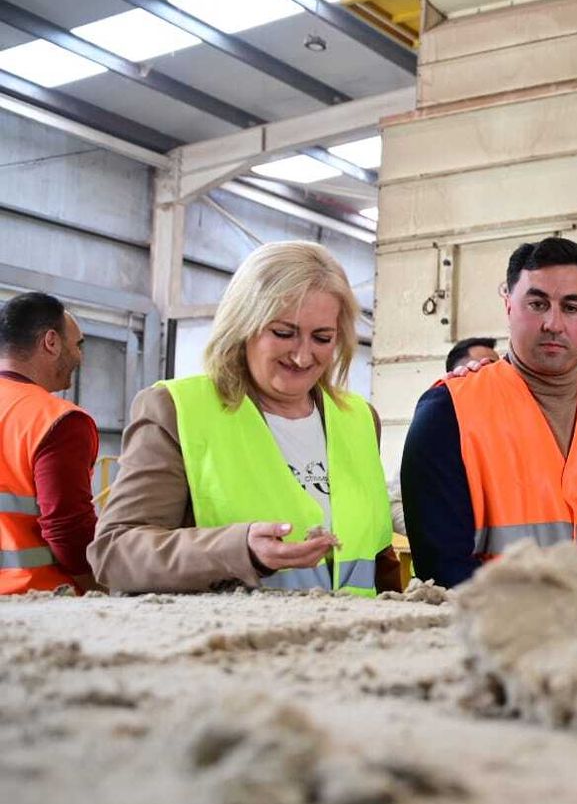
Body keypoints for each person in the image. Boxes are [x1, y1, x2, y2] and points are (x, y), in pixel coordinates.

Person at [90, 242, 397, 594]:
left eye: (322, 338)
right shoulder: (177, 411)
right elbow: (115, 553)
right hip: (234, 643)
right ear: (243, 326)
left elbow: (376, 556)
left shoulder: (359, 419)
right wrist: (240, 549)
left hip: (351, 641)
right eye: (283, 333)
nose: (302, 356)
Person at [401, 237, 577, 603]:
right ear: (508, 304)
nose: (553, 323)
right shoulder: (449, 412)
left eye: (571, 306)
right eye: (537, 303)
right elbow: (443, 567)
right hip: (500, 649)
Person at [0, 291, 98, 593]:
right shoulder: (60, 421)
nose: (80, 357)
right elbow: (68, 529)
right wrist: (99, 588)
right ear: (51, 342)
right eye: (77, 344)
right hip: (37, 600)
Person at [389, 337, 503, 537]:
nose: (494, 373)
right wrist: (443, 539)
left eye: (497, 366)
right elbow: (395, 504)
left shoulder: (512, 425)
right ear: (458, 373)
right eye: (483, 366)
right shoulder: (438, 429)